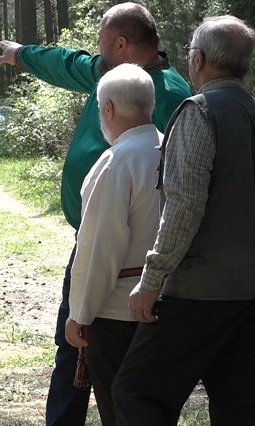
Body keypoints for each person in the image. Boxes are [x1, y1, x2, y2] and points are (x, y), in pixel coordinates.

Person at [0, 2, 190, 426]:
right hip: (108, 240)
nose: (95, 55)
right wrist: (21, 55)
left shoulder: (167, 95)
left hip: (129, 256)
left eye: (102, 45)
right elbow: (69, 62)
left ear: (121, 45)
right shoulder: (112, 74)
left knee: (95, 349)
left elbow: (143, 211)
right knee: (85, 353)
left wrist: (83, 310)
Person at [111, 15, 255, 425]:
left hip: (198, 293)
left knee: (138, 392)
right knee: (238, 409)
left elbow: (183, 206)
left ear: (200, 59)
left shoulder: (199, 113)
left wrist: (151, 281)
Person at [63, 64, 162, 426]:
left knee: (120, 410)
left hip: (118, 311)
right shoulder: (172, 148)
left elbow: (100, 246)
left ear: (107, 109)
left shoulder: (117, 161)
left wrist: (80, 313)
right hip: (169, 305)